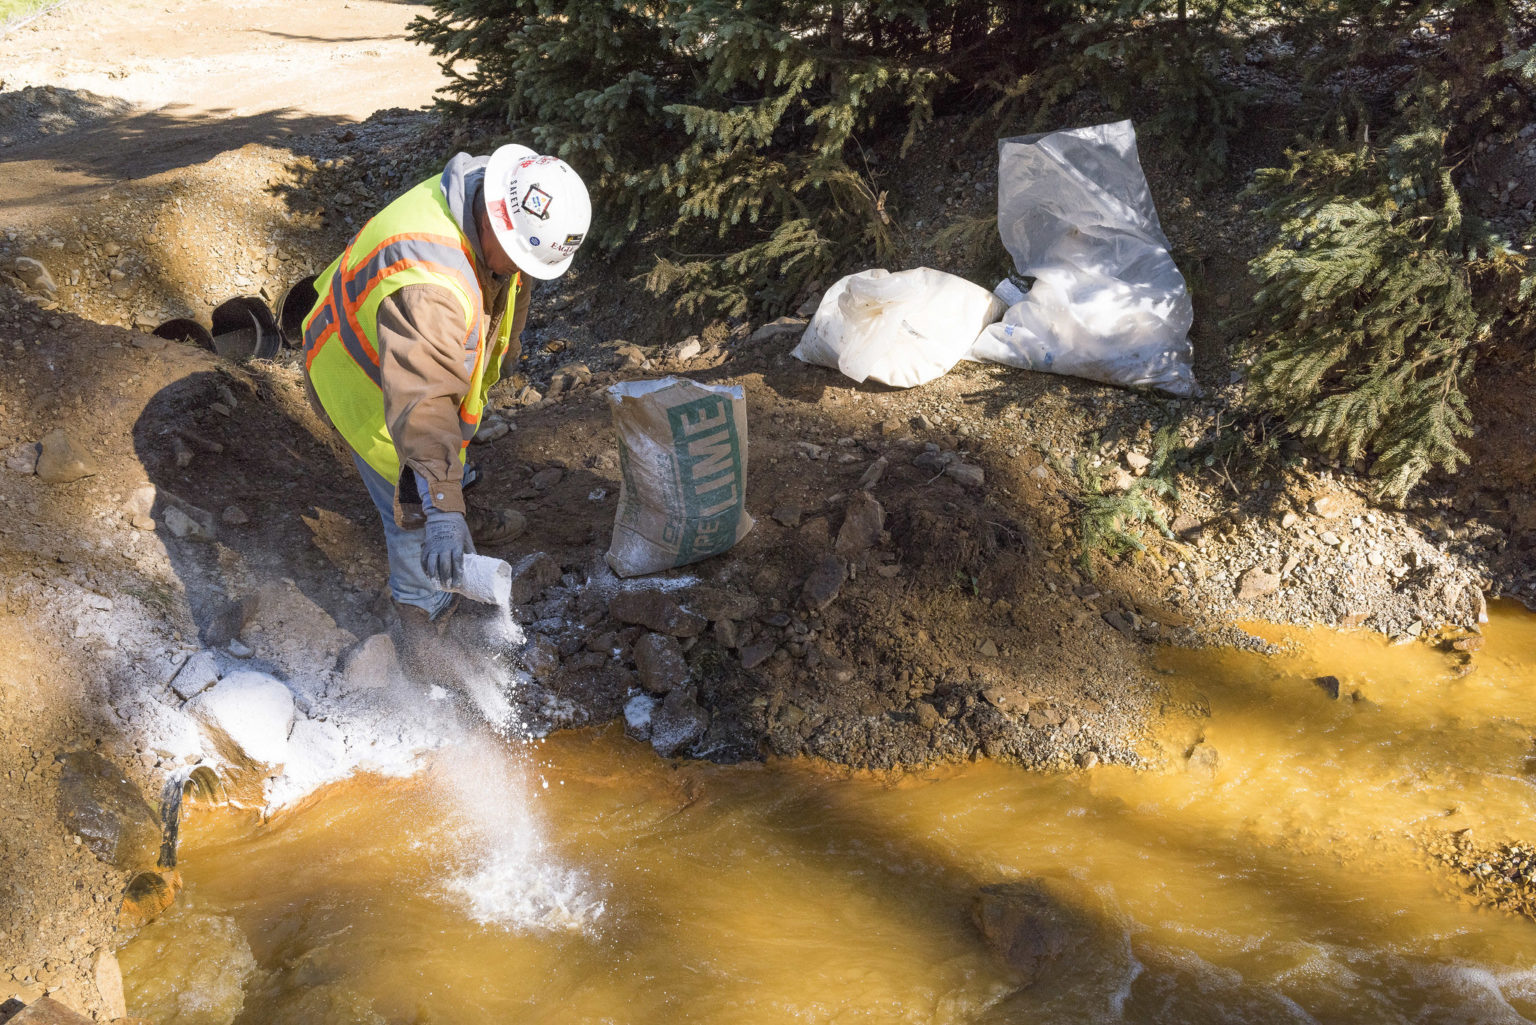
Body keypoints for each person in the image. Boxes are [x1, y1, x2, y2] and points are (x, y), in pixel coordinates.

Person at [301, 144, 591, 645]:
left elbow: (503, 294)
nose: (525, 274)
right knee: (414, 509)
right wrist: (439, 507)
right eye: (521, 260)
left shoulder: (491, 197)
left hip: (412, 365)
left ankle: (454, 503)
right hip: (366, 384)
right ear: (497, 227)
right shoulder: (431, 284)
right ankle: (422, 628)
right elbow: (422, 403)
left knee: (443, 459)